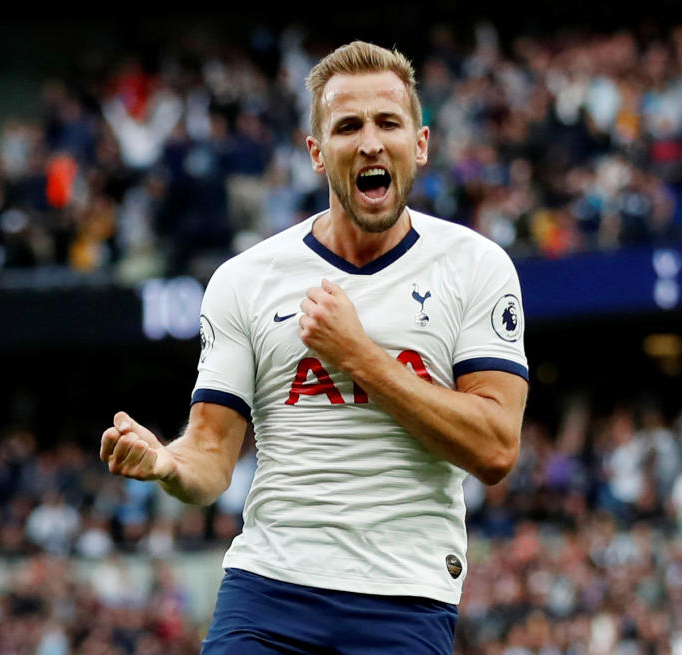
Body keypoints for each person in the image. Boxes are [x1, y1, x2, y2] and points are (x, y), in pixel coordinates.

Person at [100, 41, 530, 654]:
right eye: (347, 126)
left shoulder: (477, 268)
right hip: (268, 592)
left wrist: (359, 356)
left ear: (422, 142)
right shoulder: (245, 280)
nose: (371, 143)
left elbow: (495, 446)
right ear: (317, 154)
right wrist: (168, 464)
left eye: (388, 122)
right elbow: (210, 454)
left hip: (405, 600)